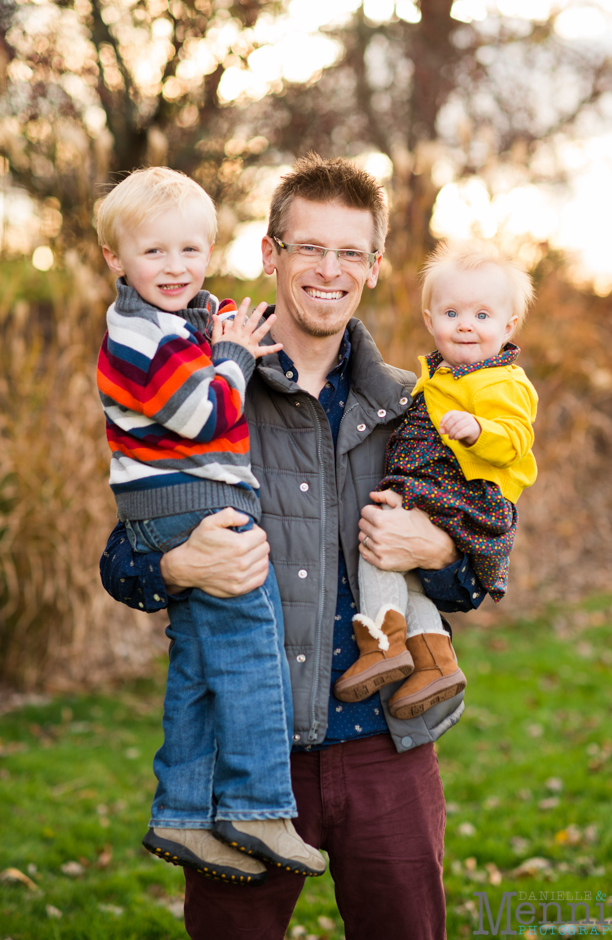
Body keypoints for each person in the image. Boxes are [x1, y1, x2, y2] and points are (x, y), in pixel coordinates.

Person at [100, 154, 483, 940]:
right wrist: (176, 566)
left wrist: (441, 554)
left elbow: (483, 567)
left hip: (386, 748)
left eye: (351, 253)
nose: (329, 271)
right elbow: (123, 554)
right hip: (249, 760)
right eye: (309, 247)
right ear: (271, 254)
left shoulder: (413, 407)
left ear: (374, 268)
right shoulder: (202, 385)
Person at [96, 167, 326, 884]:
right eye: (155, 252)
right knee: (252, 645)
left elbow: (203, 341)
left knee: (198, 664)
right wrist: (230, 356)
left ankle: (183, 814)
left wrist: (217, 331)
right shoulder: (138, 335)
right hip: (187, 505)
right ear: (116, 259)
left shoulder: (173, 323)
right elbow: (203, 413)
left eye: (191, 251)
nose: (176, 267)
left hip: (174, 504)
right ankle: (259, 806)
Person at [333, 240, 538, 719]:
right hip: (439, 493)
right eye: (451, 312)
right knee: (411, 579)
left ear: (509, 326)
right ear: (430, 320)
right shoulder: (438, 376)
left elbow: (515, 439)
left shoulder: (501, 382)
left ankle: (381, 643)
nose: (466, 323)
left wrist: (478, 431)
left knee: (379, 540)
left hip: (460, 495)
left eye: (482, 315)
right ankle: (434, 661)